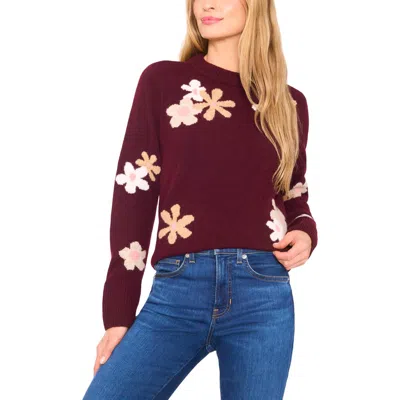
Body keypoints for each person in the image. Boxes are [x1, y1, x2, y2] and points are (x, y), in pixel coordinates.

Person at [82, 0, 318, 398]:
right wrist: (118, 313)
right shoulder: (163, 82)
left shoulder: (288, 102)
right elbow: (134, 191)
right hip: (178, 289)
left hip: (263, 292)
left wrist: (306, 230)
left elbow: (293, 190)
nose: (206, 4)